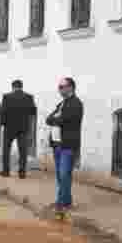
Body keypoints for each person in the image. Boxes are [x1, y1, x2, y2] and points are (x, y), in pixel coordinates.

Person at [45, 77, 84, 216]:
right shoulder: (62, 103)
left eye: (62, 87)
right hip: (57, 144)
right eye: (59, 87)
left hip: (67, 145)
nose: (60, 89)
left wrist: (56, 119)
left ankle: (62, 203)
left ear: (71, 87)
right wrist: (56, 119)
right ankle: (65, 201)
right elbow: (49, 119)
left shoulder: (75, 103)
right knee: (61, 175)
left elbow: (64, 120)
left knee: (64, 174)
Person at [0, 79, 37, 178]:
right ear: (21, 86)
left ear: (13, 87)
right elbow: (33, 112)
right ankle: (22, 173)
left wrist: (3, 124)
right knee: (23, 151)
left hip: (9, 128)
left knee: (6, 150)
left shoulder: (7, 97)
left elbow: (3, 112)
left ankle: (6, 171)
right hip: (23, 128)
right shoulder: (29, 97)